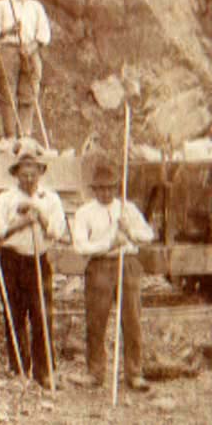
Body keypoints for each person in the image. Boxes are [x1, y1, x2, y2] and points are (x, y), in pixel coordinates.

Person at [73, 162, 154, 391]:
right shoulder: (84, 213)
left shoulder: (127, 209)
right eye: (101, 188)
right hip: (100, 266)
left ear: (116, 187)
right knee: (96, 320)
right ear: (93, 189)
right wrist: (108, 242)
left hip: (127, 263)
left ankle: (134, 373)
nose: (106, 193)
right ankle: (95, 372)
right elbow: (80, 246)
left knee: (132, 319)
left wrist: (129, 231)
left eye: (110, 188)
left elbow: (148, 235)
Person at [0, 141, 65, 386]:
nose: (28, 177)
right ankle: (19, 369)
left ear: (40, 172)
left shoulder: (51, 199)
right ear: (16, 174)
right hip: (12, 260)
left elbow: (57, 231)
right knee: (14, 315)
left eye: (32, 172)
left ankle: (44, 369)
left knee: (42, 314)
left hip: (39, 259)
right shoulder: (5, 199)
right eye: (23, 173)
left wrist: (40, 213)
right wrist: (21, 222)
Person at [0, 0, 50, 138]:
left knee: (29, 94)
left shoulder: (36, 7)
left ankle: (25, 134)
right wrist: (8, 30)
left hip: (31, 51)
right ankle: (9, 134)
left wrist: (31, 48)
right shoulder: (1, 5)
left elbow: (44, 33)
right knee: (7, 92)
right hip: (8, 49)